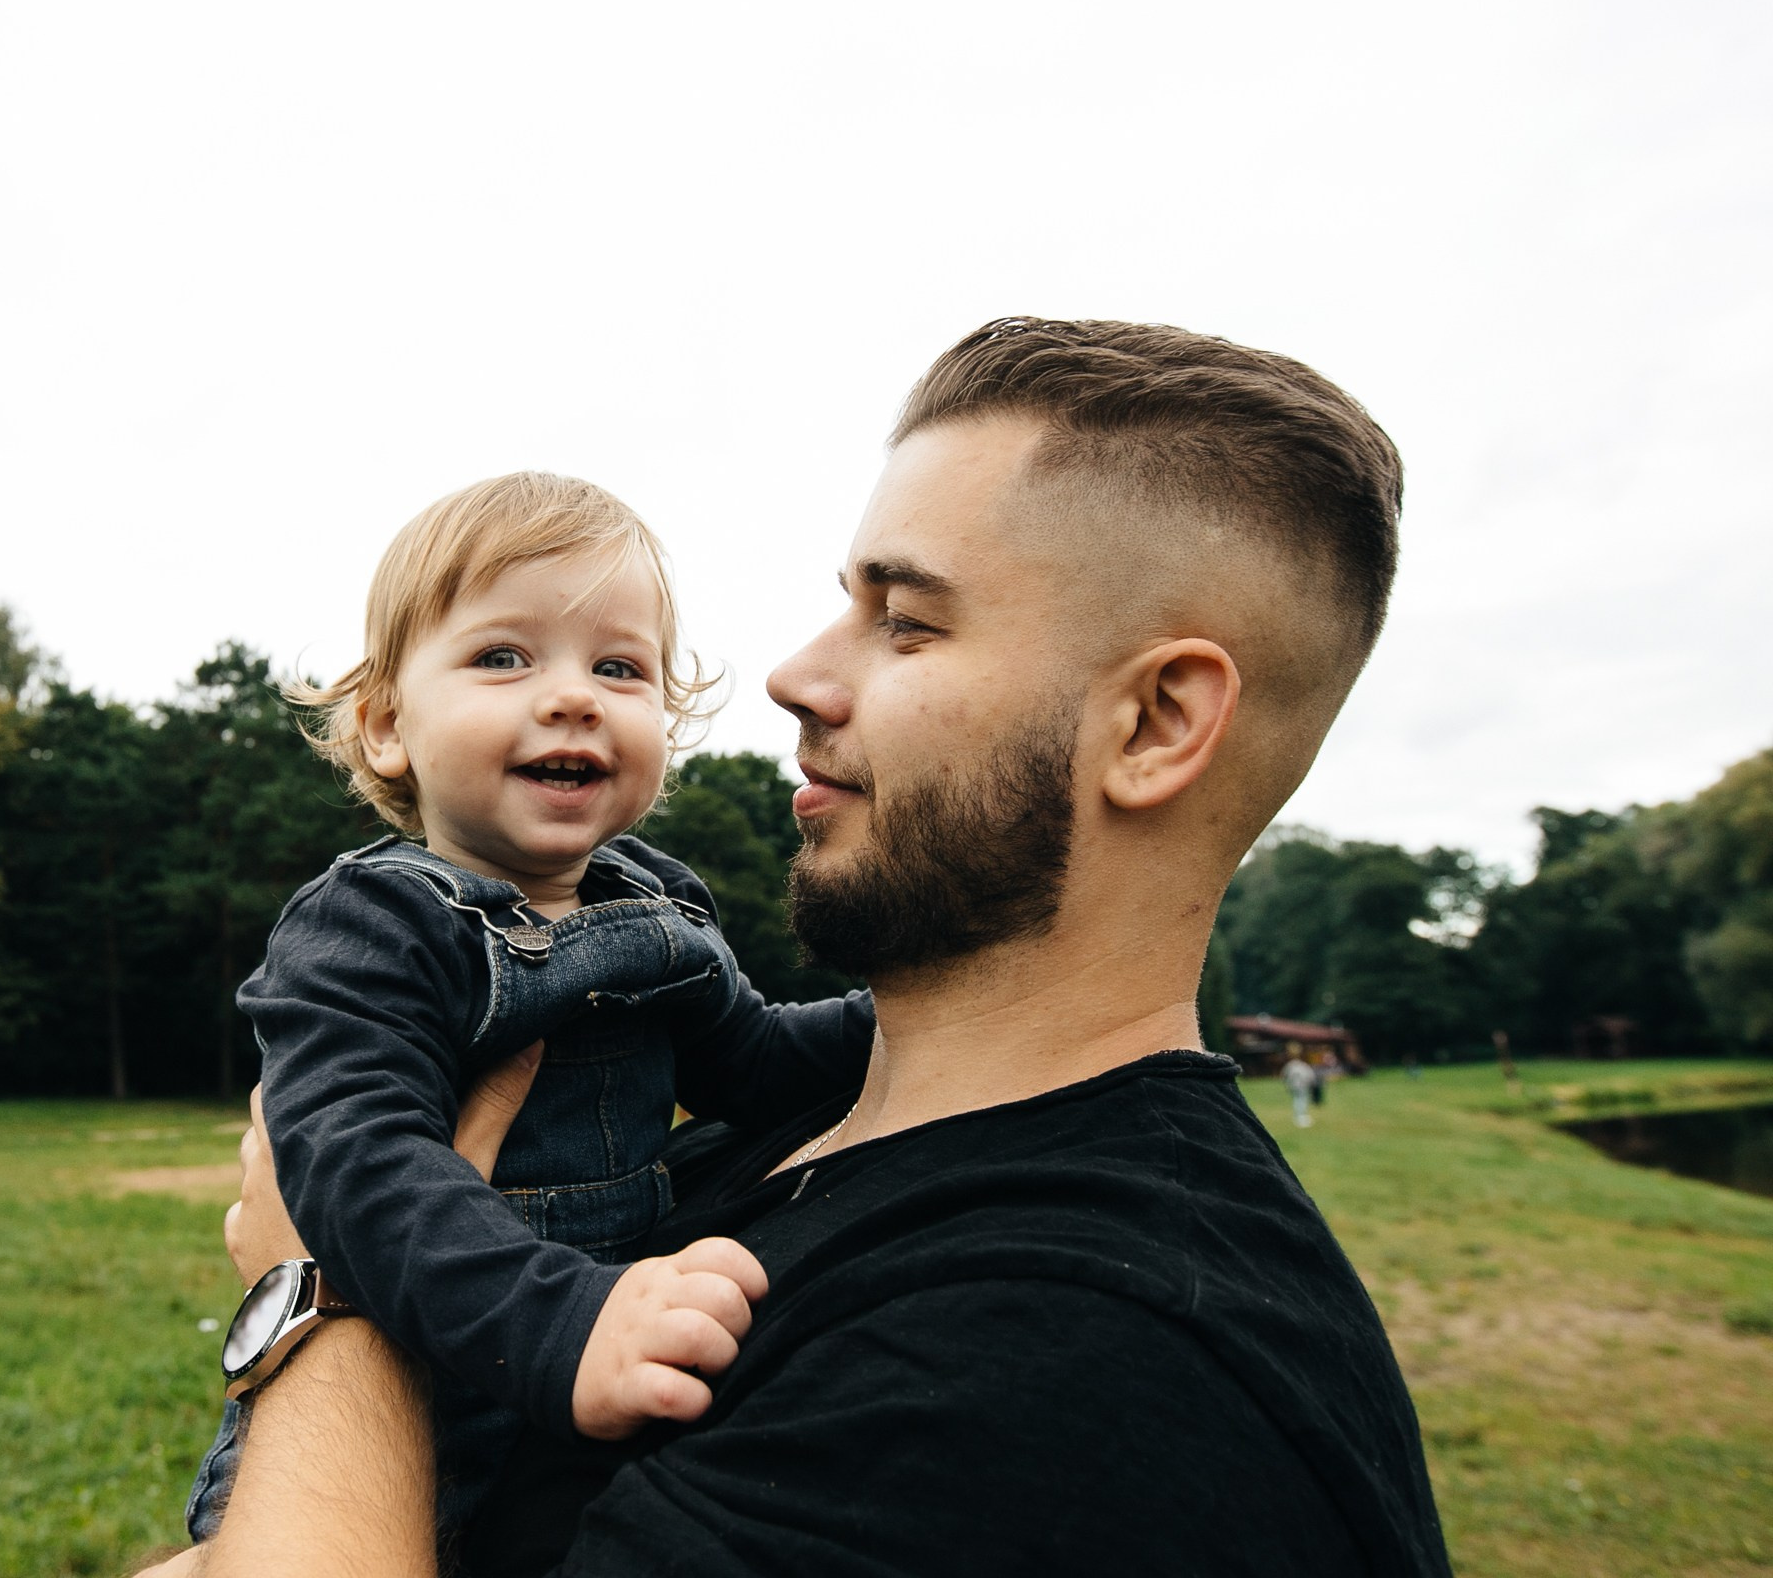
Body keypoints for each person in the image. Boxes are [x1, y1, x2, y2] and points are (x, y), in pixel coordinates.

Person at [154, 318, 1452, 1577]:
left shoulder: (1071, 1368)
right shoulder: (787, 1148)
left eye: (909, 621)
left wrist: (314, 1296)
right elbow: (761, 1059)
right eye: (848, 604)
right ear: (388, 723)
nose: (786, 676)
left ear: (1157, 722)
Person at [180, 473, 874, 1543]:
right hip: (416, 1404)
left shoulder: (659, 905)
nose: (572, 695)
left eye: (619, 666)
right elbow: (364, 1171)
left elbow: (756, 1065)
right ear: (384, 727)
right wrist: (563, 1322)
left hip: (600, 1386)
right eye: (503, 657)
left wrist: (915, 1013)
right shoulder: (372, 924)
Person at [1283, 1045, 1319, 1128]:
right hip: (1301, 1086)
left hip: (1294, 1086)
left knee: (1298, 1100)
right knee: (1301, 1100)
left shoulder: (1290, 1065)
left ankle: (1299, 1115)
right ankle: (1300, 1116)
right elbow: (1310, 1075)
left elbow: (1285, 1076)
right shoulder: (1302, 1065)